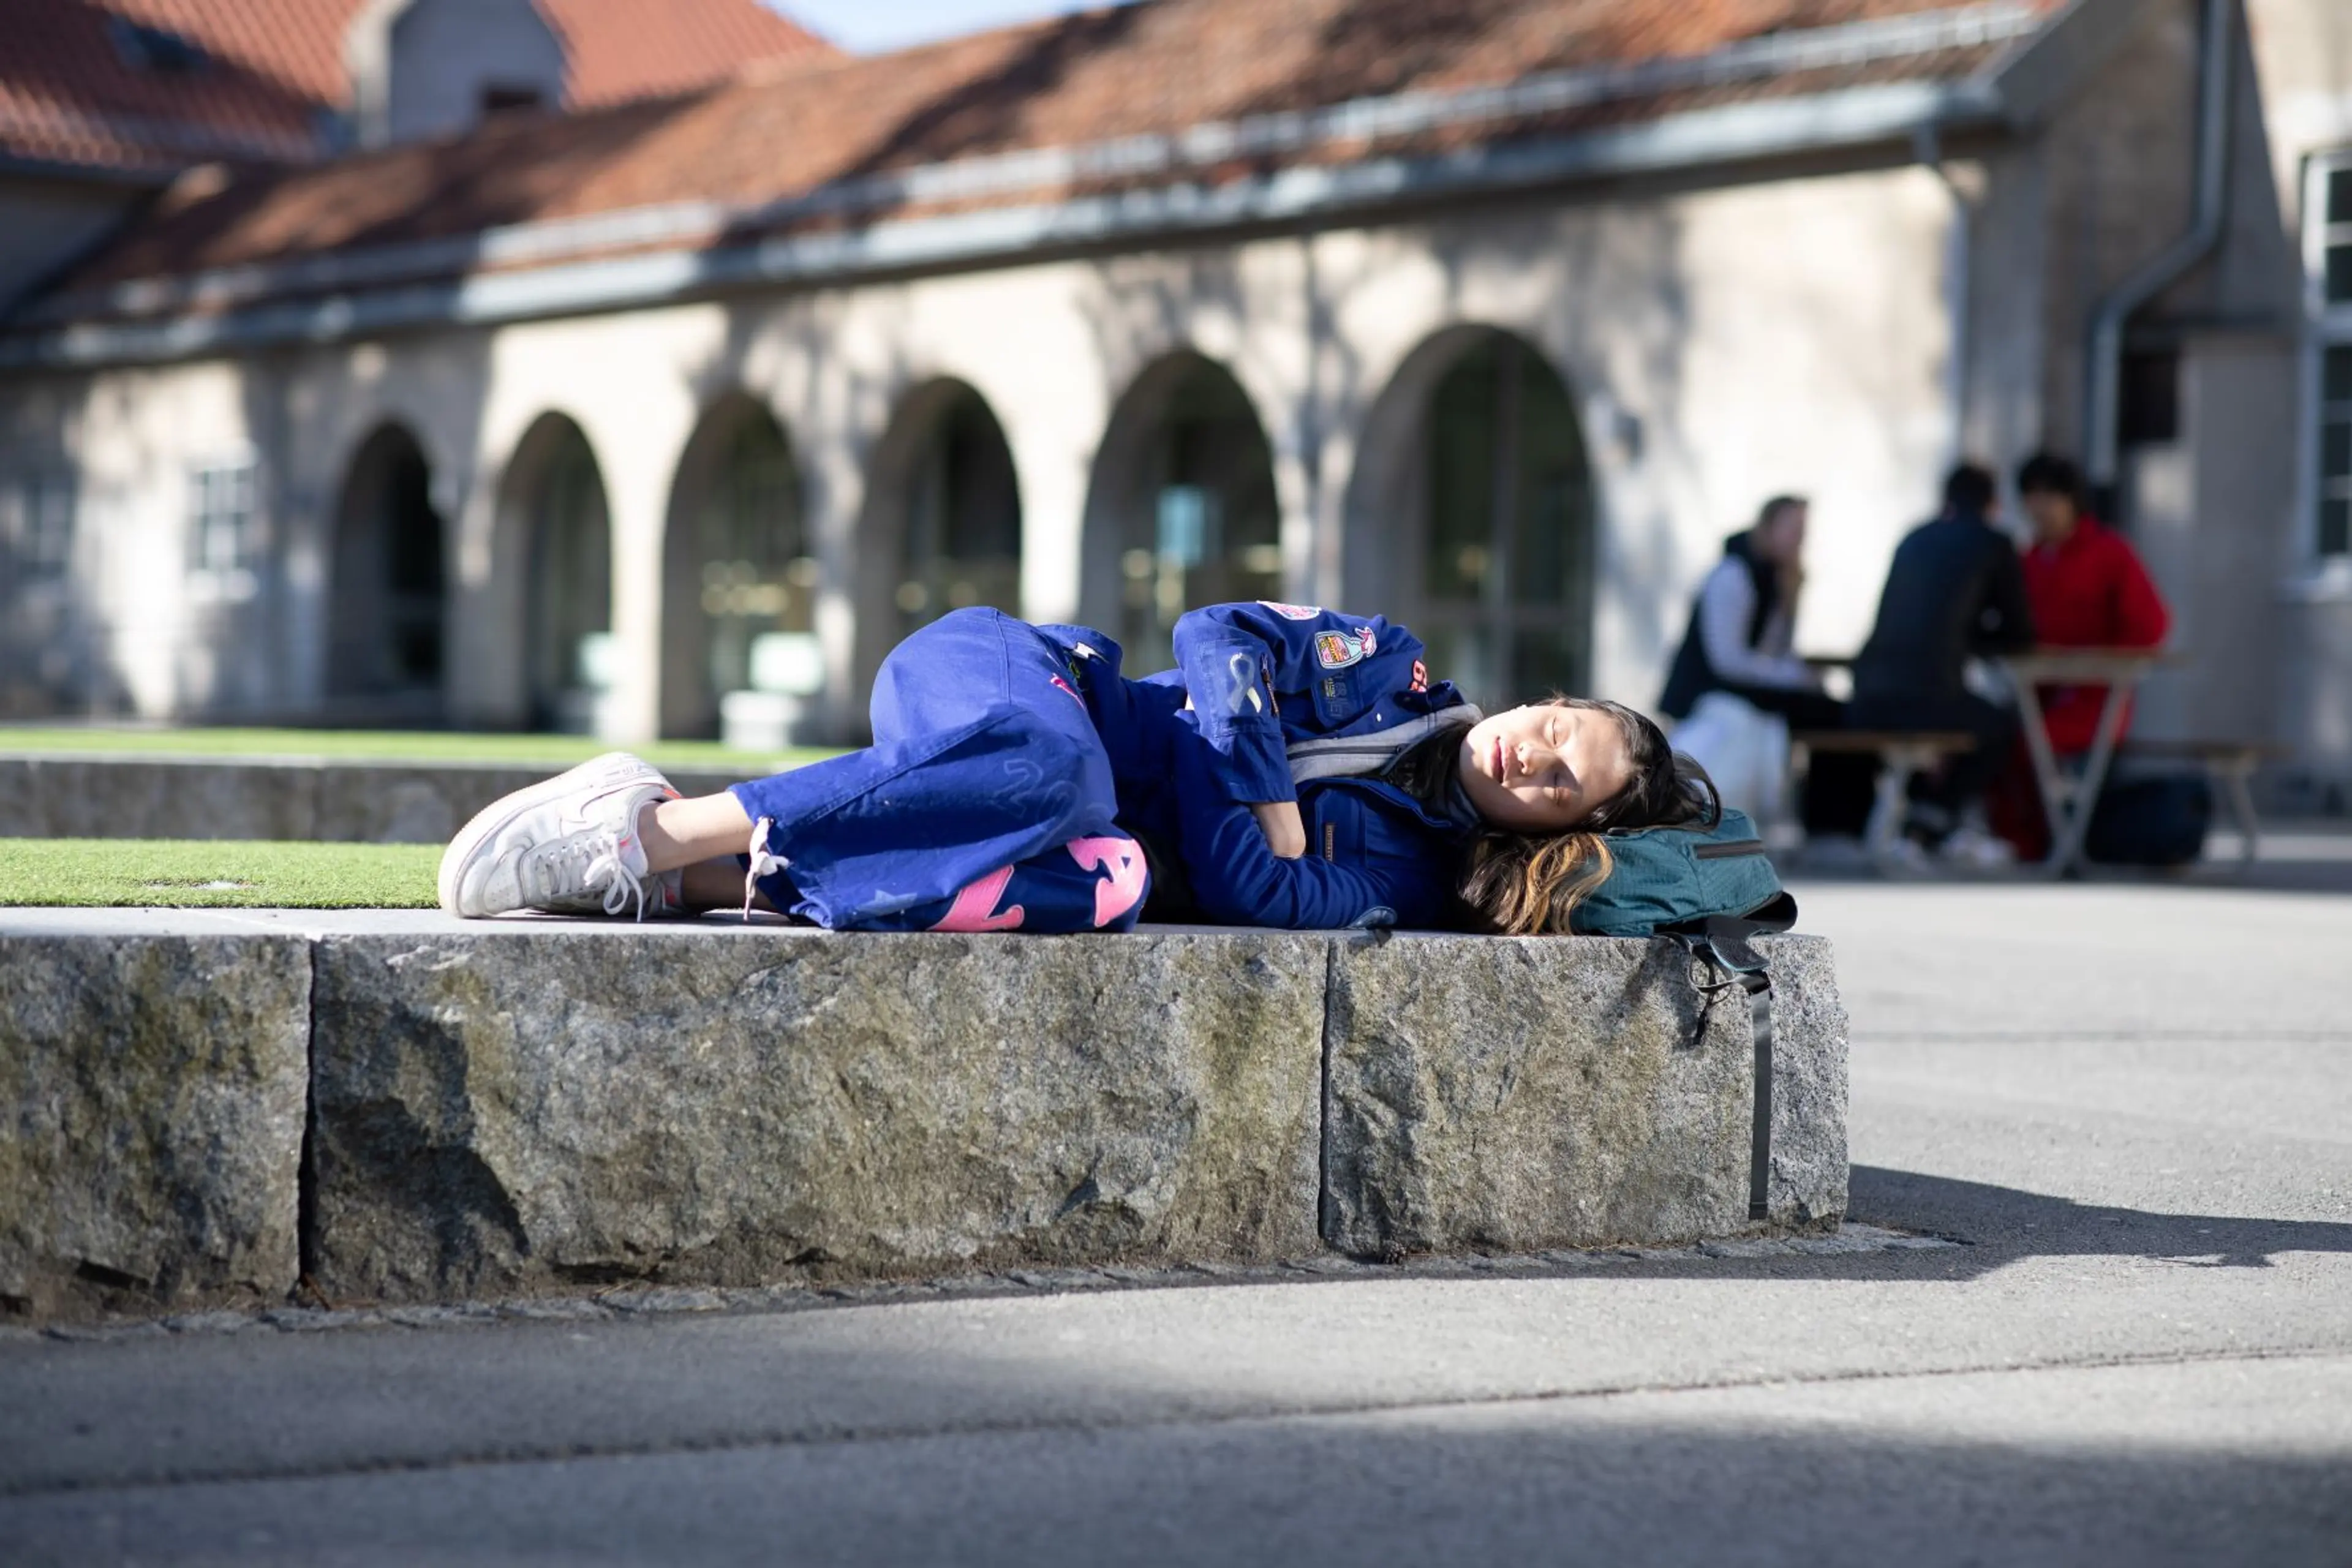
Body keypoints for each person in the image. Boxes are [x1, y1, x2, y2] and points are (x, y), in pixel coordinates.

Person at [438, 603, 1718, 937]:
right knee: (1066, 785)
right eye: (1555, 724)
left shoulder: (1413, 870)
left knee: (1107, 877)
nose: (1530, 752)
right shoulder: (1392, 666)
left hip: (1070, 804)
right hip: (1017, 674)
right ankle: (646, 828)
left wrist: (1240, 769)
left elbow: (1253, 898)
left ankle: (705, 884)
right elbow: (1218, 632)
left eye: (1559, 780)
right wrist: (1266, 790)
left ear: (1552, 832)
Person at [1849, 461, 2037, 857]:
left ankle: (1920, 818)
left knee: (1946, 722)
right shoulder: (1993, 542)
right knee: (2001, 727)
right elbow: (2020, 634)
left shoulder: (1914, 538)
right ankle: (1934, 816)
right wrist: (1978, 638)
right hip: (1930, 696)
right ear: (1993, 503)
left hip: (1866, 695)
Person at [1990, 451, 2173, 858]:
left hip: (2096, 700)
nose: (2040, 507)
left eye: (2049, 496)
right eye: (2031, 496)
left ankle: (2041, 845)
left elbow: (2151, 625)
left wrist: (2093, 660)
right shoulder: (2029, 559)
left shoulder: (2110, 553)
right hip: (2037, 694)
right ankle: (2018, 842)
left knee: (2025, 745)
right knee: (1990, 737)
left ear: (2072, 501)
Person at [1657, 494, 1871, 835]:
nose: (1799, 539)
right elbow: (1728, 660)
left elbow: (1776, 649)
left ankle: (1833, 823)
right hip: (1714, 693)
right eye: (1793, 528)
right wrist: (1791, 676)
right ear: (1768, 528)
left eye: (1803, 530)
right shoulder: (1733, 575)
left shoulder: (1782, 579)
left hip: (1754, 688)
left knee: (1838, 714)